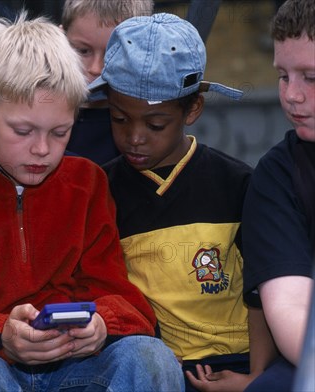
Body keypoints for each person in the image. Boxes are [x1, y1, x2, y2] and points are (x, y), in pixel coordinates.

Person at [0, 12, 183, 391]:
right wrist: (1, 332)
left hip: (77, 362)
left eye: (60, 132)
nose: (42, 149)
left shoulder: (87, 184)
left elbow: (120, 294)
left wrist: (101, 325)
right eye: (23, 130)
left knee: (151, 357)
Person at [92, 13, 270, 391]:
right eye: (119, 119)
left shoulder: (238, 184)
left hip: (236, 362)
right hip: (150, 363)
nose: (135, 137)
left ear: (192, 110)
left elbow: (262, 287)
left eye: (155, 125)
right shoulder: (98, 191)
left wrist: (255, 376)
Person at [240, 0, 314, 390]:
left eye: (311, 78)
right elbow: (290, 307)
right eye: (284, 76)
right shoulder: (278, 176)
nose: (292, 95)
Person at [61, 0, 153, 165]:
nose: (96, 69)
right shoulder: (36, 110)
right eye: (83, 51)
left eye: (113, 53)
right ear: (59, 40)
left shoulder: (145, 128)